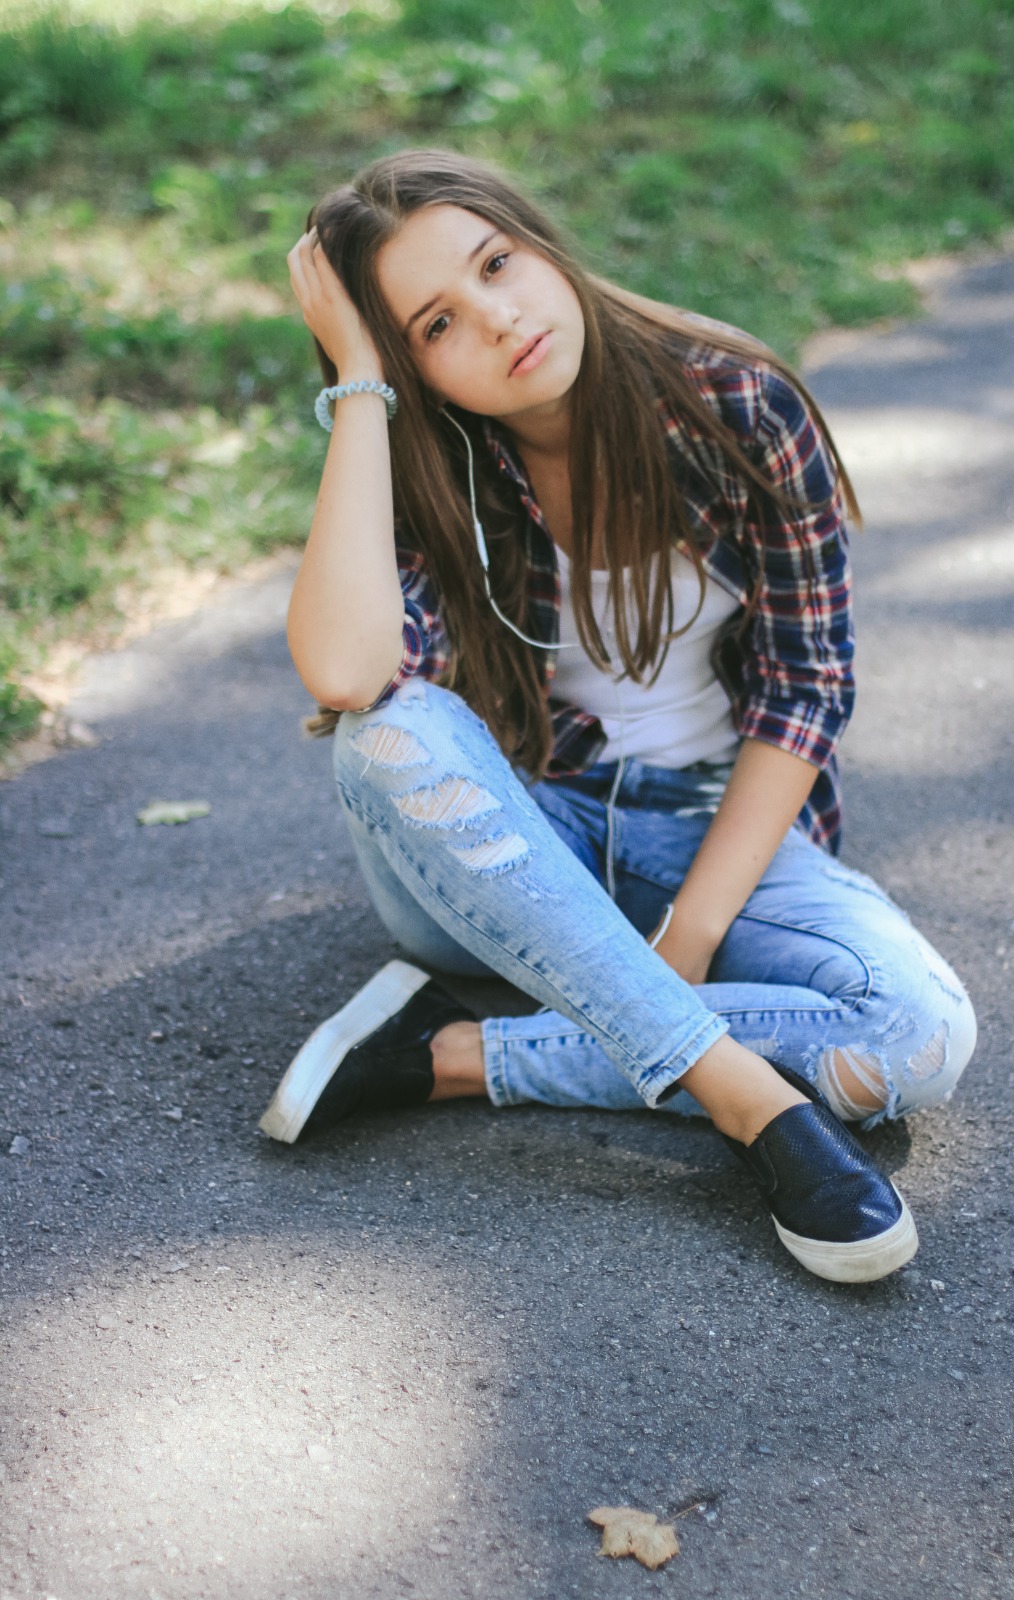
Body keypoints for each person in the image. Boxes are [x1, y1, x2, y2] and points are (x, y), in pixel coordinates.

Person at [259, 149, 977, 1284]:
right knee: (390, 731)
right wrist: (358, 380)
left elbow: (806, 687)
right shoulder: (425, 464)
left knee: (915, 1037)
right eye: (435, 325)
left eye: (498, 263)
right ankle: (748, 1101)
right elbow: (350, 678)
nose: (497, 319)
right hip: (504, 844)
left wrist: (689, 933)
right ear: (412, 366)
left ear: (540, 241)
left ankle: (444, 1054)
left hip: (705, 823)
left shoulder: (734, 400)